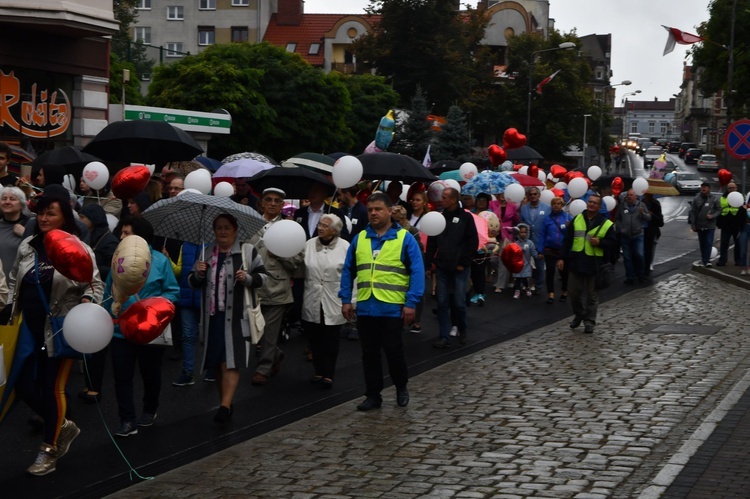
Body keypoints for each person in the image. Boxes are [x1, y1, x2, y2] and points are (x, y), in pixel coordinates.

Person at [8, 190, 104, 475]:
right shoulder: (28, 244)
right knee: (22, 385)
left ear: (64, 217)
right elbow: (15, 278)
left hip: (60, 329)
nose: (44, 218)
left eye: (52, 213)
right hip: (27, 329)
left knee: (53, 388)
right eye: (41, 212)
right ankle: (61, 423)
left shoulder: (79, 248)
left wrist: (87, 302)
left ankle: (48, 450)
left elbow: (94, 285)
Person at [339, 192, 424, 410]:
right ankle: (373, 395)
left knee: (394, 352)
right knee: (369, 355)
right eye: (370, 210)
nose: (374, 213)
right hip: (367, 307)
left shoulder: (405, 238)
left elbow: (417, 273)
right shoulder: (360, 238)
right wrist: (346, 299)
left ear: (389, 211)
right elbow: (348, 270)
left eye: (378, 209)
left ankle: (401, 387)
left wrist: (411, 303)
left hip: (392, 308)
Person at [105, 217, 179, 437]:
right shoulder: (117, 259)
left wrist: (152, 309)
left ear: (139, 237)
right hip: (120, 331)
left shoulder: (159, 261)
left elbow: (172, 292)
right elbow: (108, 291)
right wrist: (112, 309)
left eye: (126, 233)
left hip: (149, 330)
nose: (121, 237)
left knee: (150, 373)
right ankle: (127, 420)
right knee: (122, 376)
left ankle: (150, 409)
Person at [190, 213, 267, 424]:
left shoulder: (246, 252)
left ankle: (224, 407)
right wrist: (198, 274)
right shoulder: (206, 253)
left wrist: (248, 278)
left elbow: (264, 278)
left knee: (230, 362)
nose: (222, 232)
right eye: (219, 228)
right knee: (216, 362)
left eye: (227, 228)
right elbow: (192, 282)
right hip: (213, 318)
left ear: (235, 230)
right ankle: (226, 400)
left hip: (236, 317)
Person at [250, 188, 303, 386]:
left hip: (277, 286)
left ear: (282, 205)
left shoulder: (289, 229)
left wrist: (279, 253)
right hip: (252, 285)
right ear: (262, 203)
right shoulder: (251, 225)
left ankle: (263, 368)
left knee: (271, 331)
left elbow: (296, 261)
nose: (272, 203)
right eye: (269, 200)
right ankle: (275, 354)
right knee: (254, 329)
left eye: (277, 201)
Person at [76, 204, 120, 403]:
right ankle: (88, 383)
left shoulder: (108, 240)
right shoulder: (87, 237)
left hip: (103, 296)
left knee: (97, 344)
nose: (80, 221)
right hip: (89, 294)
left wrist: (90, 267)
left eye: (83, 217)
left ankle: (95, 387)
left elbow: (115, 269)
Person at [426, 187, 478, 348]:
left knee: (459, 302)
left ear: (454, 199)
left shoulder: (466, 218)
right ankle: (444, 336)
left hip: (459, 268)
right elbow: (432, 242)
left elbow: (472, 242)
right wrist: (430, 262)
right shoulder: (439, 218)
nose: (442, 200)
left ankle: (462, 329)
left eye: (445, 197)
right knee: (441, 302)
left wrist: (463, 262)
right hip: (442, 267)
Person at [302, 214, 349, 389]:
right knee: (314, 336)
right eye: (320, 224)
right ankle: (318, 371)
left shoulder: (345, 247)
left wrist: (351, 300)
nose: (320, 227)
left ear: (335, 230)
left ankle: (329, 373)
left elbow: (351, 275)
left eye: (325, 225)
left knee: (331, 338)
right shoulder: (308, 244)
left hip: (333, 297)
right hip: (312, 296)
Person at [558, 194, 616, 334]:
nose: (591, 204)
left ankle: (589, 321)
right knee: (573, 293)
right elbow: (567, 240)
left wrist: (600, 243)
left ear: (599, 207)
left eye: (594, 203)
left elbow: (613, 244)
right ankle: (580, 314)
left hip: (595, 263)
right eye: (589, 202)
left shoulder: (606, 223)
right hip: (576, 261)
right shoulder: (577, 219)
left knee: (592, 295)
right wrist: (562, 258)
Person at [391, 205, 425, 333]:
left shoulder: (412, 231)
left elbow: (419, 250)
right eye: (392, 220)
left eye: (398, 220)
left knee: (417, 292)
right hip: (396, 268)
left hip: (411, 266)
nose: (395, 223)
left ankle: (417, 320)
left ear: (404, 219)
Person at [538, 196, 572, 303]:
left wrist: (569, 227)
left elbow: (571, 235)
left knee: (564, 272)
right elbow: (542, 234)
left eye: (558, 203)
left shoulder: (567, 217)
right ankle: (551, 294)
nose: (556, 205)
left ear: (562, 205)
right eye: (554, 204)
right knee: (550, 271)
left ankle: (564, 291)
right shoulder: (547, 219)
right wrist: (540, 250)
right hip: (550, 249)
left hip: (563, 249)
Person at [615, 188, 651, 284]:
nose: (629, 196)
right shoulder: (622, 206)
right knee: (627, 257)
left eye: (631, 195)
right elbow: (617, 219)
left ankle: (641, 275)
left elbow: (648, 218)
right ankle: (630, 277)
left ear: (636, 196)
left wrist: (642, 213)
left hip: (638, 235)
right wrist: (620, 227)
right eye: (628, 195)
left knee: (639, 255)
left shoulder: (641, 205)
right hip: (625, 235)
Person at [519, 187, 550, 295]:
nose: (533, 196)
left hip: (540, 241)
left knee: (539, 265)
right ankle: (524, 284)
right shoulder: (523, 208)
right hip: (526, 241)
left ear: (539, 195)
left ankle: (539, 286)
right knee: (524, 263)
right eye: (530, 194)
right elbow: (521, 223)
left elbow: (548, 225)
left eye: (535, 194)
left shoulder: (547, 208)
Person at [490, 191, 519, 293]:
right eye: (500, 193)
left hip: (506, 236)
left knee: (502, 259)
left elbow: (515, 220)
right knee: (492, 260)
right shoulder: (492, 204)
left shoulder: (512, 206)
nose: (502, 195)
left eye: (504, 193)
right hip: (493, 234)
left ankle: (500, 284)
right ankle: (501, 277)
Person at [689, 182, 722, 267]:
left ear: (709, 188)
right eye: (702, 187)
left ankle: (707, 261)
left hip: (710, 225)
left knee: (708, 242)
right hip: (700, 225)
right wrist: (693, 224)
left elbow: (719, 210)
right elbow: (693, 212)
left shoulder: (714, 199)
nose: (703, 189)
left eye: (705, 187)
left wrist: (712, 216)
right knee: (702, 243)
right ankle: (704, 259)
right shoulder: (696, 199)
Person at [717, 182, 744, 267]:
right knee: (724, 243)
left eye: (733, 188)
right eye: (730, 188)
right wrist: (719, 222)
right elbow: (719, 210)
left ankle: (738, 260)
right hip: (726, 223)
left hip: (737, 223)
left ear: (736, 188)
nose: (731, 189)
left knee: (738, 243)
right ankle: (722, 260)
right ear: (727, 189)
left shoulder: (741, 197)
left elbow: (744, 209)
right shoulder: (723, 198)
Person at [511, 223, 540, 299]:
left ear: (527, 233)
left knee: (524, 278)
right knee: (518, 278)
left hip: (526, 264)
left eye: (525, 232)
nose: (523, 234)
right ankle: (517, 290)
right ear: (518, 233)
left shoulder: (530, 243)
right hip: (518, 264)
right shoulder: (516, 243)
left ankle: (527, 288)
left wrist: (537, 256)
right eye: (521, 232)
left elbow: (533, 252)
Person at [642, 192, 663, 276]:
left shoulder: (656, 204)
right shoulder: (641, 203)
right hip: (642, 230)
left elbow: (660, 222)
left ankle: (648, 267)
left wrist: (652, 215)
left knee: (649, 250)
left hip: (652, 231)